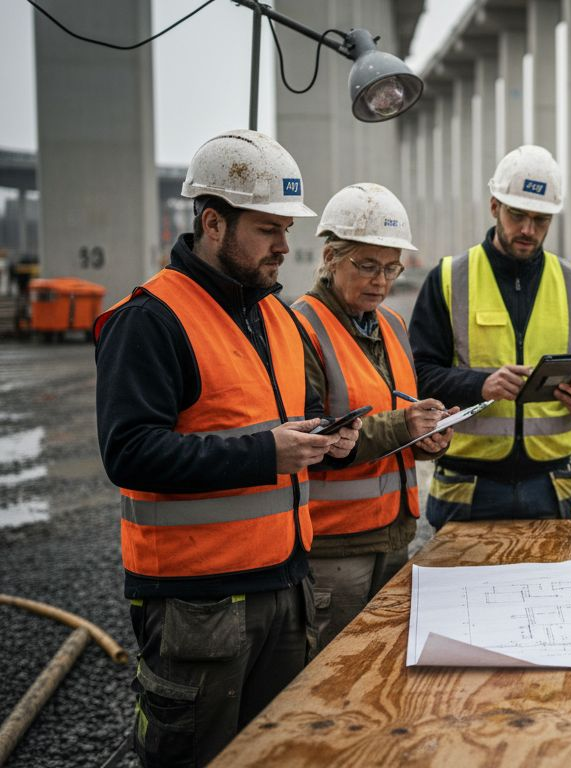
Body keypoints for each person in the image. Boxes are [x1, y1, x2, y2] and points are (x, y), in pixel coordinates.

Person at [94, 129, 361, 766]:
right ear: (213, 223)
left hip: (286, 588)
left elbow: (284, 423)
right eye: (268, 229)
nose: (284, 246)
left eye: (286, 229)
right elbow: (129, 453)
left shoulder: (276, 316)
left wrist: (332, 441)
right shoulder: (151, 319)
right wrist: (266, 454)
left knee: (278, 754)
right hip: (198, 605)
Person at [410, 145, 571, 524]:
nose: (527, 230)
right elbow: (417, 374)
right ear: (495, 207)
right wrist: (481, 385)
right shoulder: (449, 278)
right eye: (517, 215)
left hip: (551, 485)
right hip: (468, 486)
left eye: (540, 220)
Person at [292, 183, 453, 651]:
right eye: (366, 265)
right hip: (335, 547)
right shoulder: (300, 327)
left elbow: (398, 415)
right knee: (332, 675)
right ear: (330, 257)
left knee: (383, 666)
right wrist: (405, 425)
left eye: (390, 267)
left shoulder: (393, 326)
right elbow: (311, 437)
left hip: (394, 537)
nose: (381, 281)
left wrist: (428, 437)